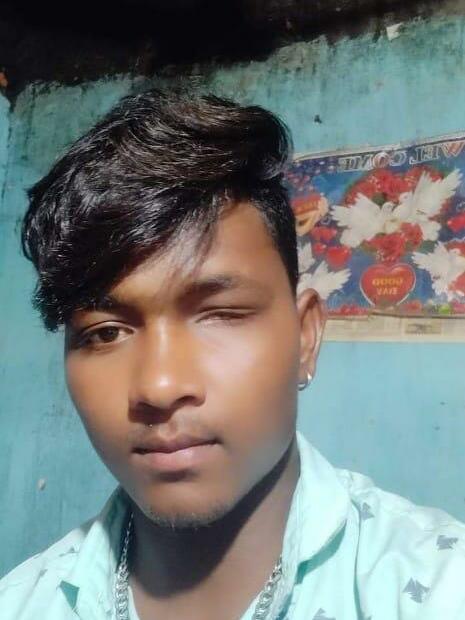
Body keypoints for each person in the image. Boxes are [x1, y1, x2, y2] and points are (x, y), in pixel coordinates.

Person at [1, 89, 464, 620]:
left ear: (306, 336)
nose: (159, 386)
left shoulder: (436, 585)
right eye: (106, 333)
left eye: (220, 314)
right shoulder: (22, 603)